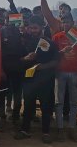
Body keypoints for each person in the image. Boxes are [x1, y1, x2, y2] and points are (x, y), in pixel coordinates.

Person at [14, 16, 58, 144]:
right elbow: (19, 60)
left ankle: (45, 132)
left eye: (35, 28)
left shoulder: (49, 43)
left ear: (42, 28)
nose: (33, 30)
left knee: (45, 108)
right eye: (31, 28)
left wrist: (41, 66)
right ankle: (25, 130)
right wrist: (26, 59)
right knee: (28, 106)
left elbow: (56, 62)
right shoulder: (25, 42)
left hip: (45, 80)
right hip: (29, 80)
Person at [53, 13, 77, 142]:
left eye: (68, 22)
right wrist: (62, 52)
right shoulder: (57, 37)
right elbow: (53, 55)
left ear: (73, 23)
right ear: (61, 23)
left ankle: (72, 129)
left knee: (74, 103)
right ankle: (60, 129)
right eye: (63, 22)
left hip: (75, 73)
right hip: (60, 73)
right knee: (59, 102)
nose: (66, 24)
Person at [0, 0, 24, 128]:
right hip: (5, 68)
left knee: (17, 94)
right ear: (4, 21)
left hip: (18, 68)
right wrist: (1, 69)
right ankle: (2, 117)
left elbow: (16, 14)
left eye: (11, 18)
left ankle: (15, 117)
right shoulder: (1, 31)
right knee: (2, 94)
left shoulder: (20, 30)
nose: (8, 21)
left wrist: (11, 3)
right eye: (6, 19)